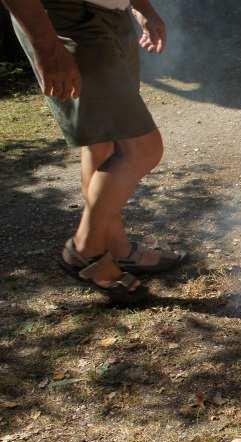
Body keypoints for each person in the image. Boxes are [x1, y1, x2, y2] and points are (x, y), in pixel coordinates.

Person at [4, 0, 186, 304]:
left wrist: (143, 8)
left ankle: (116, 248)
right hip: (65, 19)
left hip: (112, 16)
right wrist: (48, 47)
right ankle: (84, 250)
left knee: (103, 141)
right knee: (142, 149)